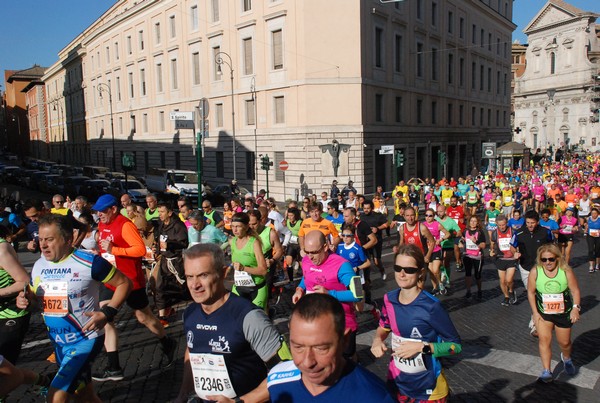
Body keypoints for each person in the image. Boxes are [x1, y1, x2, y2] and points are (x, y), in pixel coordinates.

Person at [16, 214, 132, 402]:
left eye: (50, 239)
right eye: (41, 239)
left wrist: (107, 312)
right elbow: (36, 299)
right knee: (85, 396)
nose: (43, 245)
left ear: (68, 240)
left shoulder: (89, 262)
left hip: (85, 339)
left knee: (56, 396)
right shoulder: (38, 265)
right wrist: (25, 300)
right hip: (59, 343)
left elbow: (124, 283)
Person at [174, 243, 288, 403]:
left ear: (223, 273)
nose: (195, 285)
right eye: (189, 277)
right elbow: (192, 350)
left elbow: (285, 371)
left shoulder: (249, 317)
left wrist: (241, 402)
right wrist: (183, 394)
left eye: (203, 275)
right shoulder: (190, 313)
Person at [91, 194, 177, 381]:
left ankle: (167, 341)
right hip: (110, 279)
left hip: (130, 281)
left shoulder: (125, 225)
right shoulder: (102, 224)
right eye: (97, 211)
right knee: (107, 317)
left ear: (113, 209)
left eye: (103, 211)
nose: (99, 214)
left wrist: (114, 250)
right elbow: (105, 248)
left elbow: (139, 250)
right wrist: (98, 253)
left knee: (143, 317)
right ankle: (114, 367)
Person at [371, 244, 462, 402]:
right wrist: (377, 340)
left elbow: (456, 347)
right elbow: (384, 327)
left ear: (420, 272)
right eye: (398, 268)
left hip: (429, 387)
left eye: (409, 270)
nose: (402, 274)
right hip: (397, 382)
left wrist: (423, 347)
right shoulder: (389, 299)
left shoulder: (431, 306)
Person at [268, 293, 395, 402]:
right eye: (298, 347)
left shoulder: (375, 397)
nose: (307, 362)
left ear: (345, 340)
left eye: (321, 348)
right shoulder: (277, 380)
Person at [292, 231, 362, 360]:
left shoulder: (343, 265)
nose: (310, 257)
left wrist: (329, 294)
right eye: (307, 252)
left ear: (325, 247)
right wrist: (299, 289)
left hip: (342, 324)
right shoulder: (307, 260)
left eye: (314, 252)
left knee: (347, 362)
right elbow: (306, 276)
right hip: (317, 323)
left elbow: (358, 294)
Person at [528, 244, 581, 383]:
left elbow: (575, 291)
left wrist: (575, 308)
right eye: (544, 260)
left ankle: (567, 358)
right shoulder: (536, 271)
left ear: (557, 258)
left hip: (563, 313)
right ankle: (547, 370)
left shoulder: (566, 271)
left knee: (564, 343)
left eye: (551, 259)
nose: (548, 263)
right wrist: (535, 312)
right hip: (543, 313)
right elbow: (531, 292)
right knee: (544, 340)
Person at [511, 210, 553, 337]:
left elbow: (552, 247)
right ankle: (536, 321)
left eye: (532, 223)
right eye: (528, 222)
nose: (530, 225)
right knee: (533, 294)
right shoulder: (519, 232)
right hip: (526, 267)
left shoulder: (545, 232)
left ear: (537, 222)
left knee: (540, 293)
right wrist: (515, 253)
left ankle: (535, 324)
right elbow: (512, 245)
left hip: (542, 267)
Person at [153, 203, 189, 324]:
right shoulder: (161, 225)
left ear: (169, 213)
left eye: (162, 212)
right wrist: (156, 250)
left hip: (176, 262)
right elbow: (160, 241)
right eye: (159, 212)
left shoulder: (178, 226)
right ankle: (162, 317)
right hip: (164, 261)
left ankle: (203, 305)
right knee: (159, 288)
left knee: (183, 289)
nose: (160, 215)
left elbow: (184, 244)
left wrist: (170, 244)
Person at [0, 226, 31, 365]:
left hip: (12, 312)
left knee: (6, 367)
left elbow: (24, 281)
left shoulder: (1, 250)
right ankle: (45, 381)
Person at [230, 212, 269, 309]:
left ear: (247, 227)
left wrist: (243, 268)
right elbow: (235, 262)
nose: (235, 230)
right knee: (238, 320)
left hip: (256, 288)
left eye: (238, 226)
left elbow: (263, 270)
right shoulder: (232, 241)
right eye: (233, 226)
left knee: (257, 320)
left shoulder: (254, 242)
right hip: (238, 287)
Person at [489, 214, 518, 306]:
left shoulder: (512, 231)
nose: (502, 227)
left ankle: (511, 290)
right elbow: (492, 243)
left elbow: (518, 243)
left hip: (511, 258)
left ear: (506, 223)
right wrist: (492, 251)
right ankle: (506, 297)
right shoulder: (495, 233)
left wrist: (517, 252)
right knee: (502, 280)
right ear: (497, 224)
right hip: (500, 258)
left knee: (509, 280)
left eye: (503, 224)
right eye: (500, 225)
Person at [422, 208, 450, 295]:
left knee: (435, 270)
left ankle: (441, 284)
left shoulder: (437, 224)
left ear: (434, 216)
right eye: (426, 215)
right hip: (427, 251)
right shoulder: (422, 225)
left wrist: (441, 239)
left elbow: (448, 234)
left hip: (436, 250)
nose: (428, 217)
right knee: (431, 272)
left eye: (430, 215)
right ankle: (435, 288)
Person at [360, 200, 388, 280]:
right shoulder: (362, 217)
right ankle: (367, 280)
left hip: (376, 241)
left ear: (372, 208)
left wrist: (377, 228)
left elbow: (386, 224)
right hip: (366, 242)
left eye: (368, 208)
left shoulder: (378, 216)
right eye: (364, 208)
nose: (366, 210)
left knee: (376, 261)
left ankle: (382, 270)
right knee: (367, 262)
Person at [461, 215, 487, 300]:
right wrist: (460, 243)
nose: (472, 223)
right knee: (468, 273)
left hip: (477, 256)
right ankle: (468, 291)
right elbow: (462, 239)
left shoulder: (480, 232)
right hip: (467, 255)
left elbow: (483, 246)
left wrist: (476, 241)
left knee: (477, 274)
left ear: (478, 222)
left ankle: (479, 290)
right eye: (471, 221)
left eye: (475, 221)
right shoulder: (465, 231)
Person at [586, 207, 600, 273]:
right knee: (591, 250)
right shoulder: (589, 219)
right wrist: (585, 230)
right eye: (592, 213)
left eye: (595, 213)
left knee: (597, 250)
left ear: (598, 214)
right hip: (590, 236)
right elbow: (586, 226)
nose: (594, 215)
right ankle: (591, 266)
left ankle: (597, 264)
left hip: (598, 236)